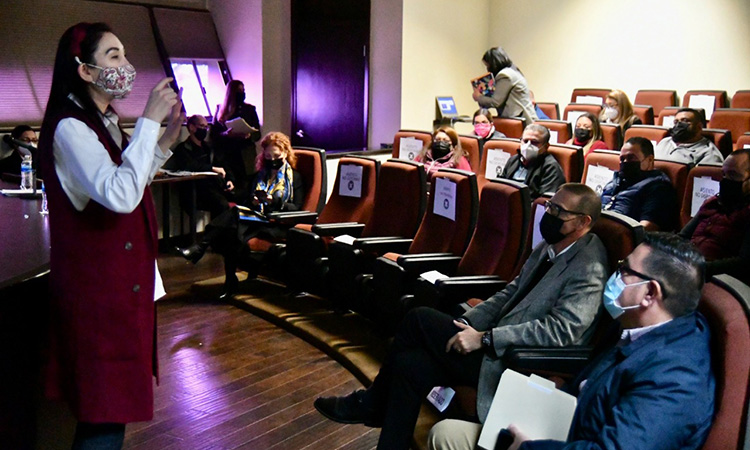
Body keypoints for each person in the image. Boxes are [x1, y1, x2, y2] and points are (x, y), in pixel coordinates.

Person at [314, 183, 609, 450]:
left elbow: (561, 331)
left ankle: (371, 403)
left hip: (518, 361)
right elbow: (510, 293)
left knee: (418, 318)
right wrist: (470, 324)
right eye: (549, 206)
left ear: (583, 222)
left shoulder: (589, 266)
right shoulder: (550, 247)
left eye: (558, 211)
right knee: (409, 365)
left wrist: (486, 339)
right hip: (494, 345)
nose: (549, 214)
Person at [429, 233, 714, 450]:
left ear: (649, 293)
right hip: (569, 426)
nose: (615, 276)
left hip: (570, 441)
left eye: (625, 270)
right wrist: (562, 390)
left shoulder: (677, 377)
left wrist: (528, 447)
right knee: (445, 432)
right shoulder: (634, 324)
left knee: (447, 436)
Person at [37, 22, 182, 449]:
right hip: (96, 295)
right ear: (85, 70)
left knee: (110, 410)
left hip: (117, 289)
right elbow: (119, 195)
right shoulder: (71, 127)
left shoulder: (103, 121)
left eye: (124, 54)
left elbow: (127, 182)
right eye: (113, 56)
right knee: (104, 411)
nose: (126, 65)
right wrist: (148, 122)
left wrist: (163, 142)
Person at [177, 131, 304, 296]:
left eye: (276, 156)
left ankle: (201, 248)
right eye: (268, 156)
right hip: (256, 219)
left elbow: (297, 208)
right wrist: (253, 201)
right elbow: (245, 199)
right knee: (231, 231)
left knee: (234, 213)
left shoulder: (295, 178)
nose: (272, 160)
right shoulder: (260, 176)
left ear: (286, 153)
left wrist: (274, 201)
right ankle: (230, 280)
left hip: (277, 223)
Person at [680, 148, 750, 284]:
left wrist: (697, 268)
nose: (725, 180)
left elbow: (744, 263)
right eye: (723, 174)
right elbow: (682, 237)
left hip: (720, 281)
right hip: (688, 270)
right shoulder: (712, 203)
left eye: (733, 175)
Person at [601, 137, 678, 231]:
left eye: (631, 158)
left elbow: (646, 227)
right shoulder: (616, 180)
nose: (625, 162)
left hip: (619, 234)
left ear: (650, 159)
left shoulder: (659, 187)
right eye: (622, 159)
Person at [169, 114, 235, 217]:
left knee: (244, 196)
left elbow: (222, 163)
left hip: (216, 187)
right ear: (192, 127)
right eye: (202, 126)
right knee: (221, 204)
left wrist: (230, 179)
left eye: (206, 127)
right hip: (197, 191)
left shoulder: (208, 147)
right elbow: (189, 166)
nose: (205, 130)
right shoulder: (183, 148)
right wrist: (211, 168)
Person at [211, 79, 262, 188]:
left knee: (247, 186)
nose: (242, 93)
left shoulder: (249, 109)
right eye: (239, 91)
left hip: (246, 156)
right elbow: (214, 135)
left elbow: (257, 134)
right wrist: (226, 134)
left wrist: (249, 135)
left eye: (243, 90)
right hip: (228, 155)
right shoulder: (220, 109)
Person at [473, 47, 538, 125]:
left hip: (519, 120)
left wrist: (478, 97)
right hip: (523, 119)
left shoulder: (504, 75)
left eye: (487, 65)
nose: (488, 69)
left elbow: (496, 102)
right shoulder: (513, 70)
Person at [501, 123, 565, 199]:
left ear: (546, 146)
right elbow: (500, 187)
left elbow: (544, 201)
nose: (528, 146)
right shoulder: (513, 160)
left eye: (534, 143)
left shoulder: (551, 167)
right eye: (525, 141)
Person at [654, 108, 723, 165]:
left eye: (685, 121)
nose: (679, 125)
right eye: (676, 122)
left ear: (699, 127)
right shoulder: (665, 141)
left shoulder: (709, 153)